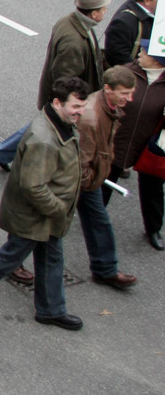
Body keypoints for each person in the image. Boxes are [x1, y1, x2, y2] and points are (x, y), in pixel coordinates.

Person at [0, 78, 89, 331]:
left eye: (82, 106)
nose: (81, 111)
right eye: (76, 106)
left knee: (52, 257)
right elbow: (33, 186)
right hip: (35, 215)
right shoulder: (44, 138)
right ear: (57, 103)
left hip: (45, 214)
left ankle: (50, 309)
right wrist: (59, 209)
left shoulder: (59, 124)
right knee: (10, 258)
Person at [0, 0, 110, 172]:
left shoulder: (73, 23)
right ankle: (8, 153)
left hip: (59, 96)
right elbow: (65, 77)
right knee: (45, 127)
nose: (105, 12)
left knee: (41, 124)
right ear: (94, 13)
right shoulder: (74, 41)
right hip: (64, 97)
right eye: (103, 9)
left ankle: (4, 151)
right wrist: (71, 103)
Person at [74, 66, 139, 289]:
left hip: (89, 179)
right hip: (82, 180)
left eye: (131, 93)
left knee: (98, 221)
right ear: (108, 88)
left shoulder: (105, 105)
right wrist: (89, 181)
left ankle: (105, 269)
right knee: (45, 228)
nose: (129, 99)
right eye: (124, 94)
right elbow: (81, 159)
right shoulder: (91, 116)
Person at [112, 42, 165, 249]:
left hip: (149, 146)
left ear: (158, 61)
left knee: (152, 190)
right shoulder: (127, 72)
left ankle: (153, 229)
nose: (140, 53)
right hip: (119, 139)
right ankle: (90, 215)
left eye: (146, 51)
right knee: (105, 179)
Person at [104, 0, 160, 68]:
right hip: (134, 75)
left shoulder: (153, 12)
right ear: (147, 1)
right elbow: (117, 57)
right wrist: (139, 72)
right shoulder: (123, 22)